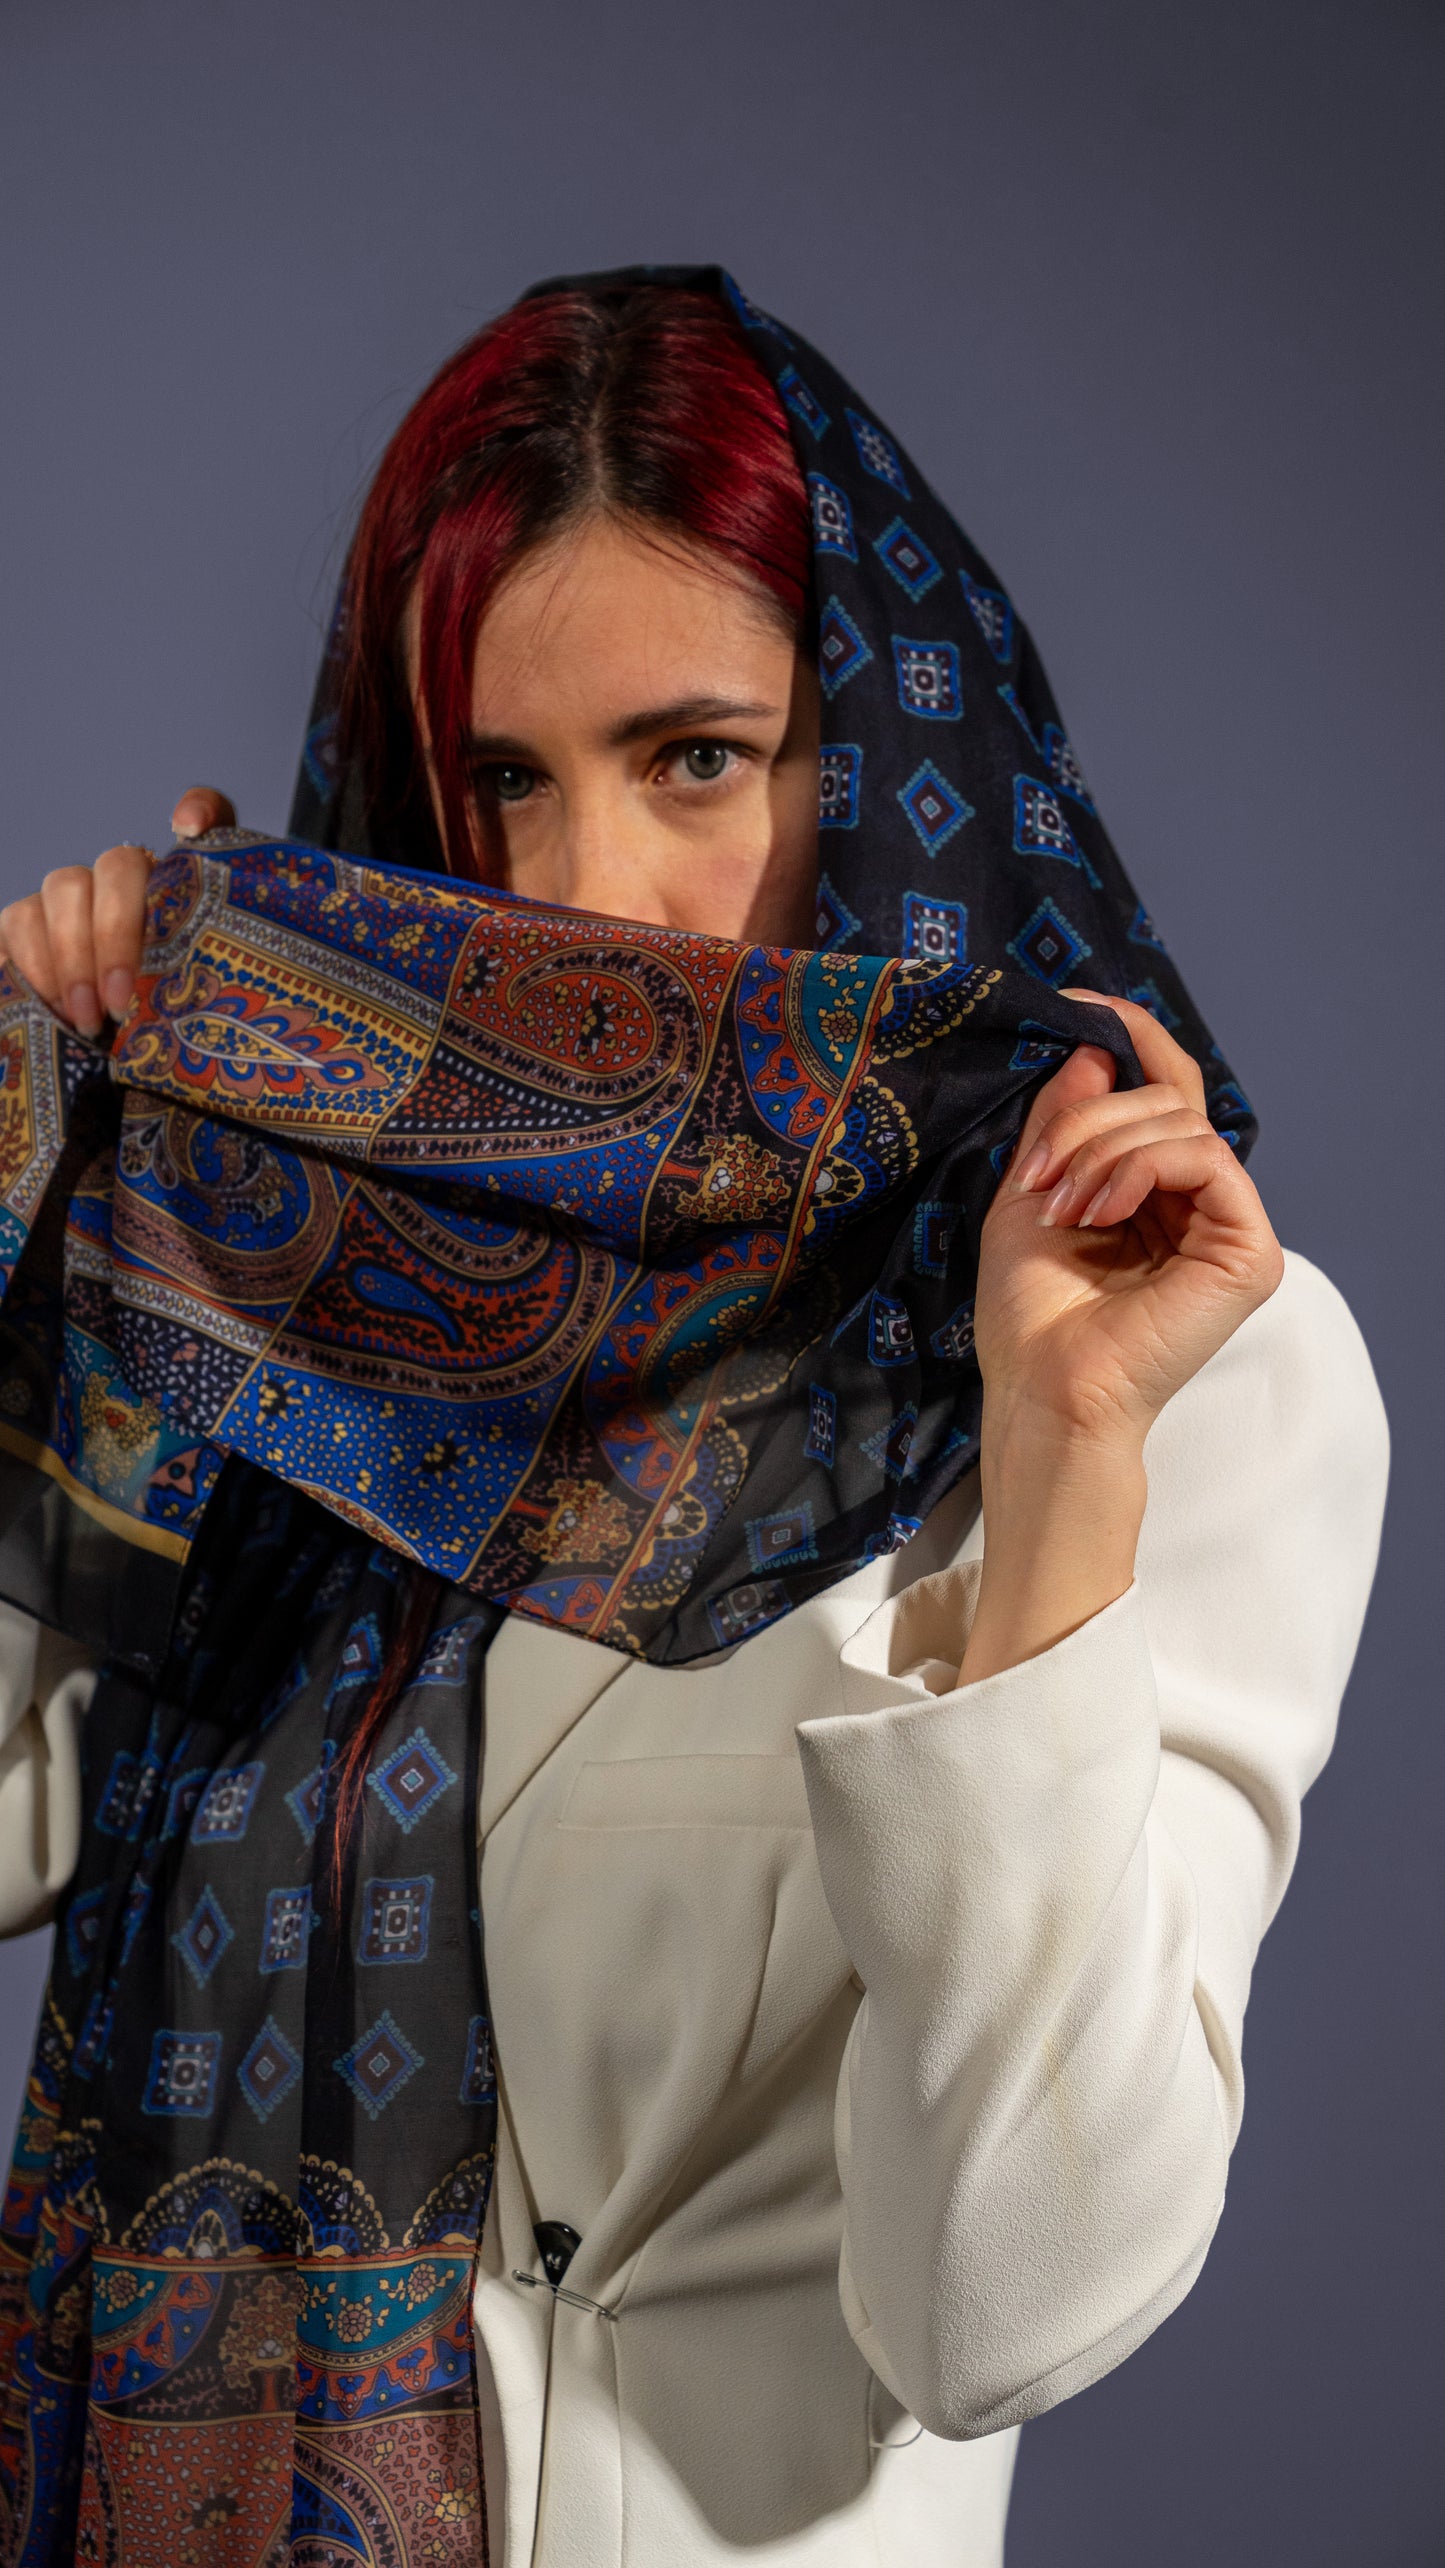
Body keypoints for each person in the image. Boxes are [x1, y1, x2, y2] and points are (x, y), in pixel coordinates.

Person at [0, 269, 1387, 2568]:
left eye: (698, 760)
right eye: (502, 784)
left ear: (897, 770)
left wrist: (1054, 1478)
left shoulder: (1163, 1360)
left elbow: (1001, 2313)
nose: (584, 896)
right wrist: (56, 1184)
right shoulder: (293, 1251)